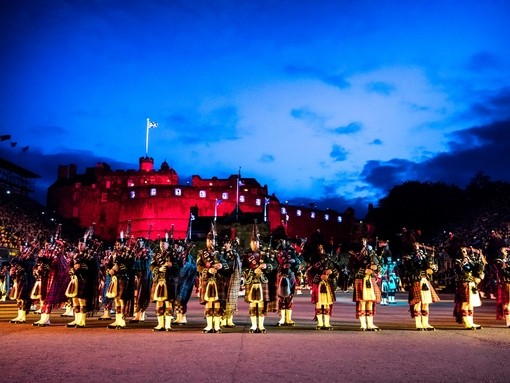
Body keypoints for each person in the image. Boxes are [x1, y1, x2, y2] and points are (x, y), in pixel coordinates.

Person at [242, 223, 277, 333]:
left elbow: (275, 264)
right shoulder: (246, 255)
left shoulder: (265, 253)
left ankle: (261, 326)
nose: (254, 244)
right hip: (251, 281)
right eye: (252, 242)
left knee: (261, 304)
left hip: (263, 281)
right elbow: (242, 268)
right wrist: (252, 271)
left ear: (258, 242)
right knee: (253, 304)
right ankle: (253, 326)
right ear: (250, 243)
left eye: (256, 242)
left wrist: (266, 266)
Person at [31, 232, 70, 327]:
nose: (47, 245)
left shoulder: (57, 253)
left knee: (48, 299)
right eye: (46, 243)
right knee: (42, 297)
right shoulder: (43, 252)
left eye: (49, 243)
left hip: (52, 278)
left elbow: (61, 265)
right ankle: (42, 318)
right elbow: (37, 263)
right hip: (43, 277)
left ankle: (46, 319)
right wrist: (38, 268)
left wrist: (50, 265)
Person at [64, 234, 100, 328]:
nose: (81, 246)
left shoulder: (91, 255)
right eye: (79, 244)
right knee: (74, 299)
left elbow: (95, 269)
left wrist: (83, 267)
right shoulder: (75, 255)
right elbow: (70, 265)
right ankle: (76, 320)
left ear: (86, 245)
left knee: (82, 300)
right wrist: (71, 269)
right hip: (75, 279)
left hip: (85, 279)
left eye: (82, 244)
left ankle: (82, 321)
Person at [197, 228, 228, 333]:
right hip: (207, 280)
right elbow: (198, 267)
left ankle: (217, 325)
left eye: (212, 240)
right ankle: (209, 325)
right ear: (206, 241)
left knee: (218, 303)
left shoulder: (220, 252)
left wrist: (221, 265)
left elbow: (227, 265)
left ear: (215, 241)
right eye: (209, 240)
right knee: (209, 303)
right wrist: (208, 270)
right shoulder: (202, 253)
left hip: (218, 280)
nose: (211, 242)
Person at [403, 243, 440, 331]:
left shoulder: (424, 255)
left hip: (425, 280)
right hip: (416, 280)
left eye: (417, 244)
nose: (416, 246)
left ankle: (425, 323)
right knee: (417, 303)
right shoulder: (409, 257)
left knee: (426, 303)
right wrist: (423, 270)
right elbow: (409, 269)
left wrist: (432, 268)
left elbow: (433, 266)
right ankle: (418, 324)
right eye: (414, 245)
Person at [350, 238, 382, 331]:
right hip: (361, 279)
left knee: (370, 302)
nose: (364, 241)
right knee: (362, 302)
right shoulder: (353, 254)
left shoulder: (371, 253)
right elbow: (352, 268)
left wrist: (376, 267)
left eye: (365, 240)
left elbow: (379, 265)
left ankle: (370, 324)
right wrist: (364, 271)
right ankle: (363, 324)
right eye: (362, 240)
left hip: (370, 279)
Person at [306, 242, 339, 330]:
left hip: (328, 284)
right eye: (318, 247)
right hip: (318, 284)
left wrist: (331, 272)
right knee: (319, 304)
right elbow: (309, 272)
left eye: (321, 247)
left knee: (327, 303)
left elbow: (335, 270)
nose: (320, 249)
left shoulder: (328, 258)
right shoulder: (313, 259)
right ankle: (320, 323)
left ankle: (327, 323)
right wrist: (319, 277)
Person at [150, 236, 180, 331]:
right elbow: (151, 266)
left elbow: (179, 267)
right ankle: (160, 324)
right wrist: (158, 269)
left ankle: (167, 325)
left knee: (169, 302)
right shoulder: (156, 255)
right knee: (159, 302)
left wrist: (171, 265)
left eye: (164, 243)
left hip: (169, 281)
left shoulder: (173, 255)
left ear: (168, 244)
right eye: (161, 243)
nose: (162, 245)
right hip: (159, 281)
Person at [453, 246, 486, 330]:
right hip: (464, 283)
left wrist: (479, 275)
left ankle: (471, 321)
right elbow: (462, 271)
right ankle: (466, 322)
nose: (464, 253)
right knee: (465, 302)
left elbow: (475, 269)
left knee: (471, 304)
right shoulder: (458, 261)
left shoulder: (470, 260)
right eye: (462, 251)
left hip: (471, 283)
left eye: (465, 251)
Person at [105, 237, 135, 329]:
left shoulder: (128, 253)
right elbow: (108, 264)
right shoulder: (113, 253)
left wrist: (120, 267)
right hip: (115, 279)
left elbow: (131, 266)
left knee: (122, 299)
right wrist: (109, 270)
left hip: (123, 278)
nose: (117, 246)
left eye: (119, 244)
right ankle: (117, 320)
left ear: (123, 244)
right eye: (116, 244)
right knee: (116, 299)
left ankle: (122, 320)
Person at [275, 239, 302, 326]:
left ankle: (288, 318)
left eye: (284, 240)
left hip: (291, 275)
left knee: (290, 296)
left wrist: (293, 263)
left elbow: (298, 262)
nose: (283, 242)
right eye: (281, 240)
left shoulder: (292, 252)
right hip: (281, 275)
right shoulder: (277, 252)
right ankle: (282, 319)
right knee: (281, 297)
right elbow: (275, 264)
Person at [9, 241, 36, 324]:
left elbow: (29, 267)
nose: (22, 248)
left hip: (26, 280)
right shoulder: (20, 257)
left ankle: (23, 316)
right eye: (21, 247)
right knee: (18, 298)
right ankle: (19, 315)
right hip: (18, 279)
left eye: (24, 247)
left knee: (23, 298)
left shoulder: (31, 257)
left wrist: (20, 263)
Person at [219, 235, 242, 328]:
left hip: (231, 278)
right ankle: (223, 319)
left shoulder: (234, 254)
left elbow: (236, 266)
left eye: (227, 243)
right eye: (224, 242)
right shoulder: (219, 253)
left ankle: (230, 319)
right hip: (221, 278)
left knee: (231, 299)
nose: (225, 244)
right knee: (222, 299)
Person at [173, 241, 197, 326]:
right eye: (175, 247)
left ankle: (182, 317)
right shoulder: (176, 256)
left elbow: (192, 267)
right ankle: (178, 316)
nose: (176, 248)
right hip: (177, 279)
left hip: (185, 280)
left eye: (177, 247)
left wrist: (184, 268)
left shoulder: (187, 256)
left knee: (182, 299)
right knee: (177, 299)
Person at [130, 238, 152, 323]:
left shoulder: (148, 252)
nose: (139, 244)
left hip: (145, 276)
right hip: (137, 276)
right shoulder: (136, 251)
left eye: (141, 242)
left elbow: (147, 265)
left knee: (142, 295)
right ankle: (138, 313)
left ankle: (140, 314)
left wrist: (143, 257)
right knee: (137, 295)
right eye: (138, 242)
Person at [495, 247, 510, 327]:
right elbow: (503, 271)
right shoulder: (498, 260)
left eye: (505, 250)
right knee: (507, 303)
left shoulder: (508, 258)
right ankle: (508, 322)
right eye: (502, 250)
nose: (504, 252)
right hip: (505, 283)